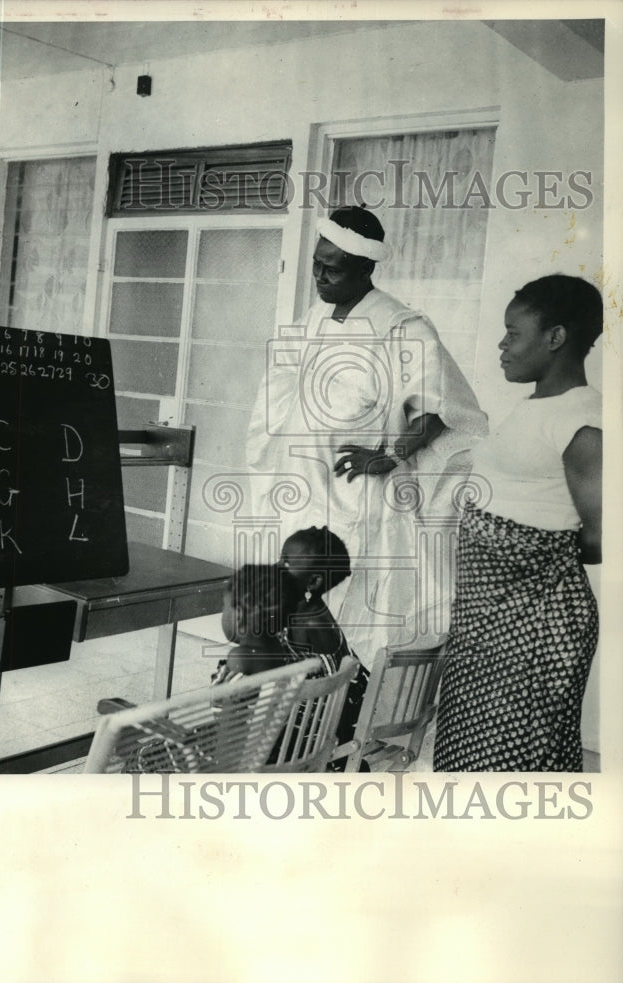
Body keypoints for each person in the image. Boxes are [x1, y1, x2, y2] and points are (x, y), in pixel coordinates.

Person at [246, 205, 488, 667]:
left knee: (352, 610)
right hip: (304, 489)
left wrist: (391, 456)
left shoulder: (402, 326)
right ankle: (298, 708)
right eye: (316, 264)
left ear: (364, 268)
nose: (319, 276)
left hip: (359, 497)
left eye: (331, 269)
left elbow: (435, 406)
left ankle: (348, 707)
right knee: (293, 602)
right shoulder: (315, 317)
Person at [433, 273, 603, 772]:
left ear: (555, 338)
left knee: (514, 768)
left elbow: (602, 535)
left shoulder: (583, 422)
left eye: (514, 333)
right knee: (468, 759)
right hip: (486, 625)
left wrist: (521, 555)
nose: (502, 345)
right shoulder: (534, 407)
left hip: (531, 631)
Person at [279, 525, 371, 771]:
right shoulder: (318, 613)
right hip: (333, 720)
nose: (277, 568)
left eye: (286, 563)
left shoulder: (301, 621)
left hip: (307, 735)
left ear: (314, 581)